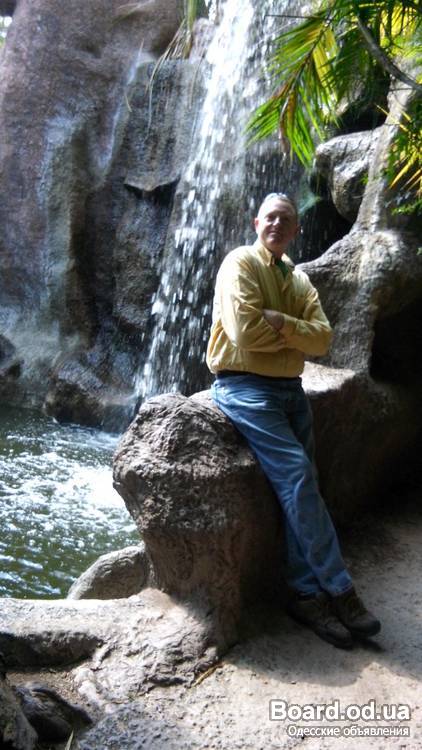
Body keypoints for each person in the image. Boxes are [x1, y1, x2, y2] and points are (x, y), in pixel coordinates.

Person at [206, 192, 381, 649]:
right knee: (299, 476)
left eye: (286, 219)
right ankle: (340, 590)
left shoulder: (298, 279)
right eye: (270, 217)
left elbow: (322, 340)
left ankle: (305, 595)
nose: (277, 225)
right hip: (244, 388)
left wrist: (280, 322)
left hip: (290, 391)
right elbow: (244, 333)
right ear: (256, 222)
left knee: (303, 486)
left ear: (296, 229)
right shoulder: (240, 264)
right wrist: (295, 335)